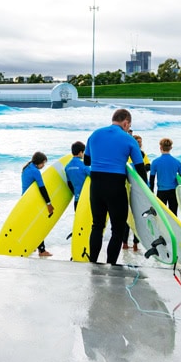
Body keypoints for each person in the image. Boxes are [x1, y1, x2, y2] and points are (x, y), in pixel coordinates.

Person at [84, 109, 147, 265]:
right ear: (126, 123)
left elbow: (86, 161)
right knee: (117, 229)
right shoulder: (129, 139)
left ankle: (93, 262)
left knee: (97, 225)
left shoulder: (95, 134)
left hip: (96, 185)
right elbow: (140, 169)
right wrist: (147, 192)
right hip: (116, 186)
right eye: (128, 125)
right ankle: (111, 264)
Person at [21, 151, 54, 257]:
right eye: (43, 163)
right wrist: (49, 203)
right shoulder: (35, 171)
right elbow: (42, 188)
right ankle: (42, 250)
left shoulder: (27, 168)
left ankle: (32, 246)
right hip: (31, 202)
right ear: (39, 162)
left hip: (24, 200)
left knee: (31, 225)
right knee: (39, 225)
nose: (43, 166)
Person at [123, 133, 150, 251]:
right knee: (127, 216)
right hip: (129, 187)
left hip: (139, 187)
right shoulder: (129, 154)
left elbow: (148, 166)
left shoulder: (143, 154)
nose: (139, 144)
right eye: (137, 142)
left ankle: (135, 244)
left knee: (137, 215)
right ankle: (124, 242)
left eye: (140, 142)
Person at [149, 138, 181, 215]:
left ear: (160, 147)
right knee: (173, 214)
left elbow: (151, 179)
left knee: (161, 214)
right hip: (173, 191)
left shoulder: (155, 162)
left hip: (161, 192)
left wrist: (151, 192)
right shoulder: (177, 162)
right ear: (171, 148)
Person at [64, 141, 90, 211]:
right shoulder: (84, 165)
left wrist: (76, 193)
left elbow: (69, 184)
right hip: (86, 200)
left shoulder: (67, 167)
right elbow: (95, 177)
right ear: (80, 152)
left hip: (77, 200)